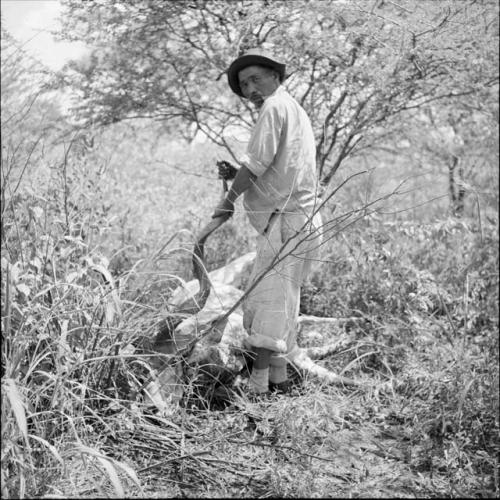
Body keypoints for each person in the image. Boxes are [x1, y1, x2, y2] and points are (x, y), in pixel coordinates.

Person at [212, 47, 322, 396]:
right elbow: (275, 167)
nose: (250, 89)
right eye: (244, 85)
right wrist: (236, 175)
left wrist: (228, 201)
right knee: (282, 299)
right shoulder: (293, 110)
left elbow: (257, 162)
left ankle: (257, 390)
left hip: (286, 220)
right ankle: (279, 381)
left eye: (256, 78)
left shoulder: (275, 106)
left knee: (270, 302)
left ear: (275, 76)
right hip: (297, 219)